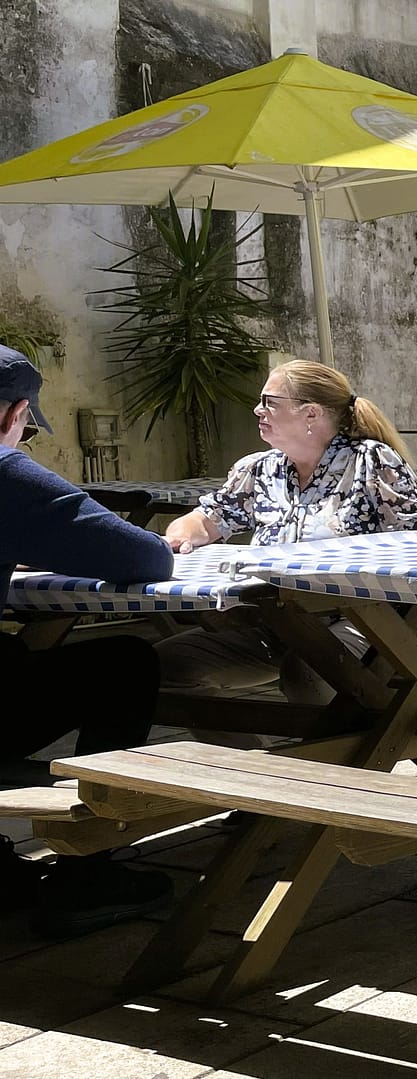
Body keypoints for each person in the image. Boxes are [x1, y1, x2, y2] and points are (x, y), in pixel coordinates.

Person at [0, 346, 176, 937]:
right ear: (14, 415)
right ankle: (87, 871)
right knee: (124, 663)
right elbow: (144, 554)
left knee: (19, 655)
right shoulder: (6, 475)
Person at [158, 360, 417, 703]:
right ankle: (249, 758)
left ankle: (332, 757)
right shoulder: (259, 469)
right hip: (278, 622)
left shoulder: (371, 463)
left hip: (368, 621)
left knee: (304, 669)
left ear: (311, 414)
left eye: (270, 402)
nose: (258, 409)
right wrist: (183, 533)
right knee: (163, 667)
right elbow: (205, 519)